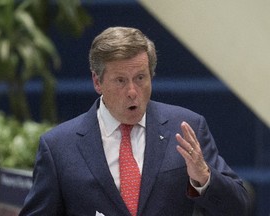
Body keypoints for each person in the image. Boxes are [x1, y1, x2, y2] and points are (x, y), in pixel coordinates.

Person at [19, 26, 250, 216]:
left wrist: (204, 177)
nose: (132, 91)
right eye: (120, 80)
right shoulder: (59, 147)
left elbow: (238, 207)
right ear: (97, 82)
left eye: (140, 78)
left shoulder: (186, 127)